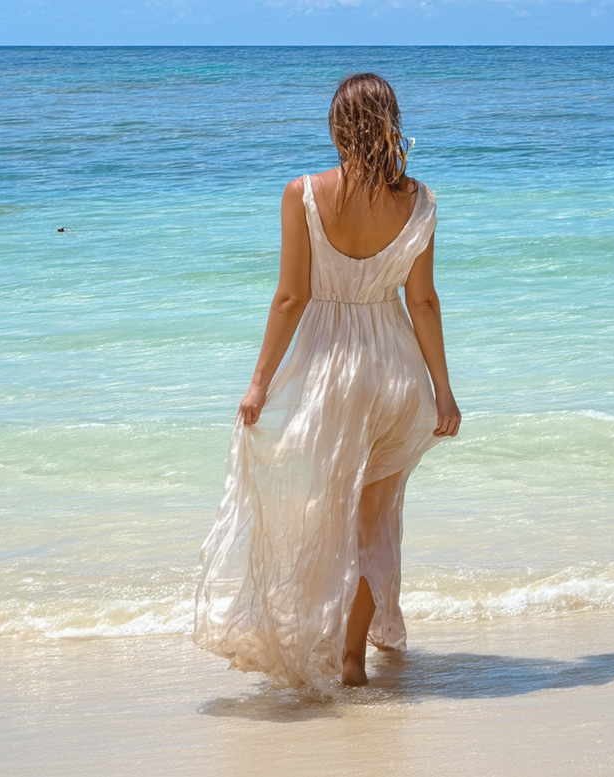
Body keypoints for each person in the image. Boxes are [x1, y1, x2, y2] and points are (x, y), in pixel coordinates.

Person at [192, 72, 460, 696]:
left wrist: (258, 384)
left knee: (317, 514)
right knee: (374, 520)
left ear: (337, 126)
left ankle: (311, 639)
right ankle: (351, 660)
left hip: (327, 375)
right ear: (391, 122)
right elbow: (422, 302)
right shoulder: (419, 201)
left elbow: (291, 297)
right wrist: (443, 391)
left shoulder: (303, 194)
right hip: (396, 376)